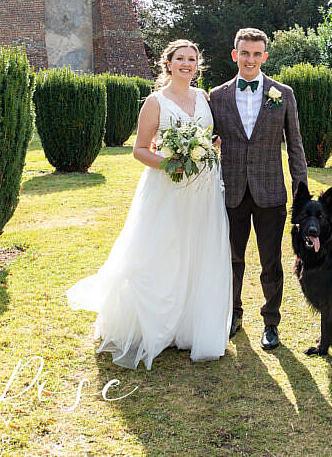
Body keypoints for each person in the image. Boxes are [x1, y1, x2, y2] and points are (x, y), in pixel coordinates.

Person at [67, 40, 232, 370]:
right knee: (161, 252)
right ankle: (154, 325)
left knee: (198, 252)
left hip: (203, 189)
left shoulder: (203, 97)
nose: (186, 64)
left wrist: (212, 149)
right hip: (167, 188)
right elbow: (140, 149)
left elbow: (210, 138)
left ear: (198, 65)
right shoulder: (155, 102)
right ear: (167, 63)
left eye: (192, 59)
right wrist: (171, 165)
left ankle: (190, 325)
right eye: (180, 59)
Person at [208, 28, 308, 351]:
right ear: (235, 55)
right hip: (232, 192)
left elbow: (295, 146)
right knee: (232, 259)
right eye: (245, 53)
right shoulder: (217, 96)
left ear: (265, 57)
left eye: (257, 54)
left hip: (270, 193)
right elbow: (208, 139)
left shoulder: (283, 94)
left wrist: (301, 193)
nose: (250, 59)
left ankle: (271, 322)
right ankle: (233, 315)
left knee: (271, 261)